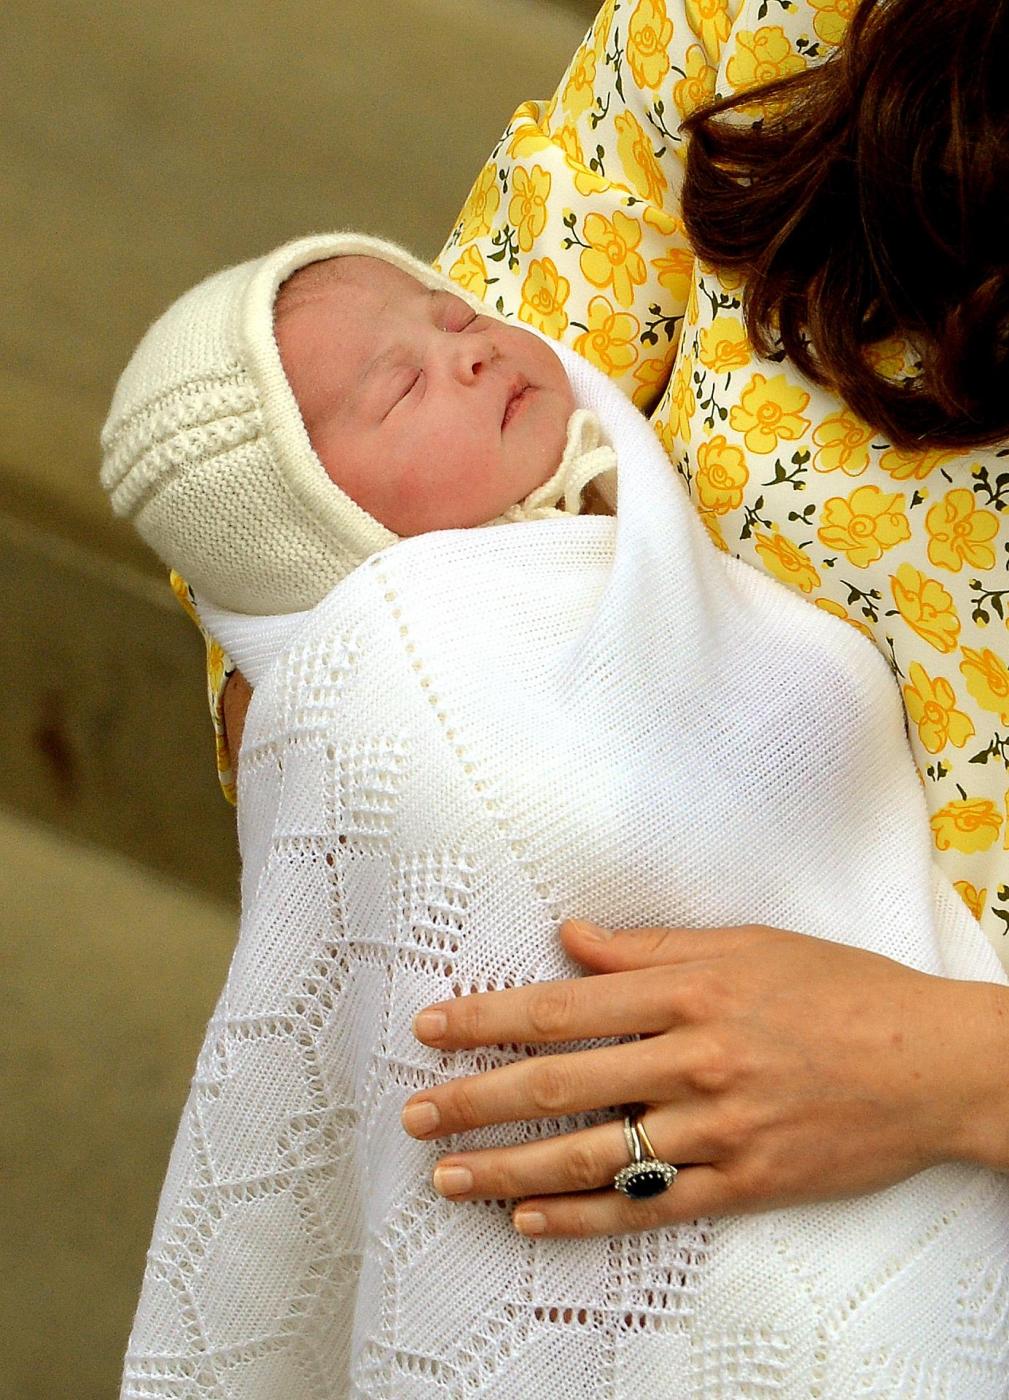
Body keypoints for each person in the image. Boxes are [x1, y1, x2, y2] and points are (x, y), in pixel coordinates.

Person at [116, 0, 1009, 1394]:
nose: (461, 349)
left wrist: (953, 1071)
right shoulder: (764, 17)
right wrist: (445, 743)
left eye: (449, 342)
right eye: (429, 350)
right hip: (613, 1067)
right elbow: (288, 505)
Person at [100, 233, 616, 620]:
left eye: (458, 318)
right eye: (406, 387)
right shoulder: (418, 675)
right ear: (337, 531)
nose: (473, 350)